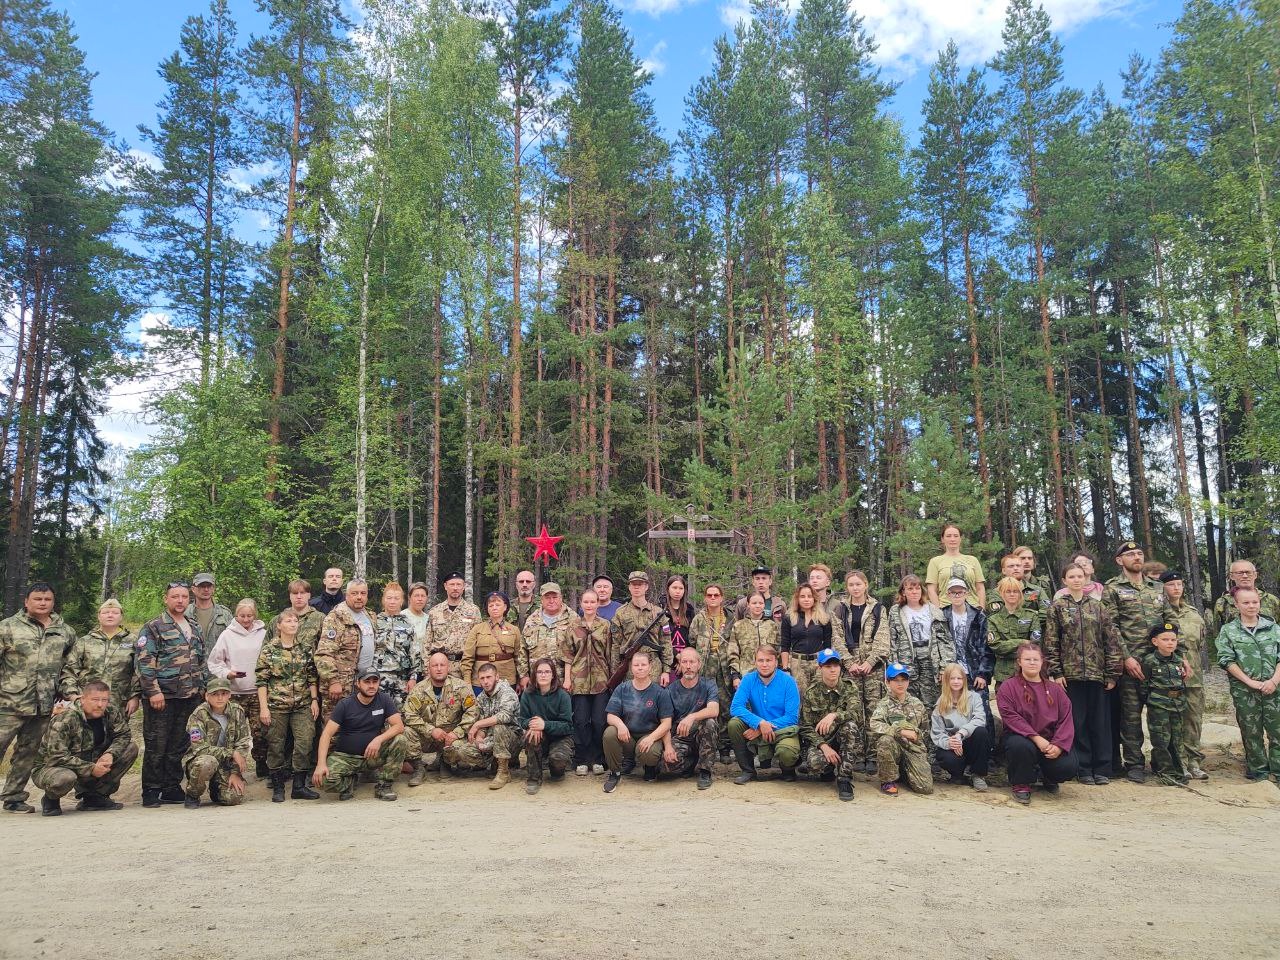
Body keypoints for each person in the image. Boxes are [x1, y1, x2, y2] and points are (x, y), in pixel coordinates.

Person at [0, 581, 77, 814]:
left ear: (53, 602)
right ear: (26, 601)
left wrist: (71, 693)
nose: (42, 603)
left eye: (47, 600)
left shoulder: (65, 632)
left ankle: (13, 797)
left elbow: (69, 668)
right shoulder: (8, 627)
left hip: (43, 704)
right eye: (37, 599)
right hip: (8, 702)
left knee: (27, 752)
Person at [1045, 563, 1122, 785]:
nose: (1077, 580)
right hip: (1070, 676)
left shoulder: (1098, 607)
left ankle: (1102, 767)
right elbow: (1051, 642)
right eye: (1072, 576)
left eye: (1080, 576)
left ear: (1086, 579)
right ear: (1064, 580)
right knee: (1077, 722)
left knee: (1100, 722)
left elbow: (1111, 642)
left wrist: (1112, 673)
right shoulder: (1057, 608)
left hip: (1098, 674)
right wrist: (1056, 671)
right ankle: (1083, 767)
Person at [137, 581, 208, 809]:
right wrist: (153, 692)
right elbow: (145, 663)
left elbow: (201, 660)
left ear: (189, 599)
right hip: (163, 697)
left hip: (190, 695)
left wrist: (203, 688)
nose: (180, 601)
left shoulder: (194, 627)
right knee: (157, 744)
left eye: (184, 597)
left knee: (180, 743)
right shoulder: (154, 627)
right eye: (175, 597)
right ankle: (151, 789)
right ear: (166, 599)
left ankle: (170, 786)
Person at [1102, 540, 1164, 783]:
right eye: (1131, 555)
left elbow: (1168, 622)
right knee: (1130, 718)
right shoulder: (1113, 589)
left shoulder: (1157, 587)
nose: (1137, 557)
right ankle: (1134, 764)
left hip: (1158, 663)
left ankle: (1162, 761)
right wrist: (1126, 657)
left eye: (1139, 553)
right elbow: (1112, 627)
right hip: (1131, 664)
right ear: (1120, 561)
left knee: (1161, 716)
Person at [31, 679, 137, 815]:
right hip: (52, 767)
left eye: (104, 700)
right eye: (95, 699)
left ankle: (94, 797)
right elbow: (56, 757)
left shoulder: (110, 712)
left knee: (130, 748)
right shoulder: (65, 718)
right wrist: (91, 768)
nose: (100, 705)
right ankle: (51, 798)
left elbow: (123, 734)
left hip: (90, 760)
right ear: (83, 699)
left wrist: (110, 754)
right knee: (65, 778)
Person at [996, 643, 1078, 804]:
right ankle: (1021, 784)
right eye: (1027, 659)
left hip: (1050, 741)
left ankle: (1048, 777)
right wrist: (1036, 738)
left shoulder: (1056, 690)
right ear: (1019, 662)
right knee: (1019, 746)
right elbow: (1011, 718)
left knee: (1069, 765)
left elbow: (1066, 719)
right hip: (1021, 739)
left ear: (1042, 662)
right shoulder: (1008, 687)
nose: (1032, 663)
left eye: (1035, 659)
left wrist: (1059, 745)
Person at [255, 608, 320, 802]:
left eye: (295, 621)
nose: (293, 624)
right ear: (279, 625)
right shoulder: (269, 650)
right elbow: (261, 681)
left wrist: (315, 700)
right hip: (276, 705)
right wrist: (264, 707)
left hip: (302, 704)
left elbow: (311, 677)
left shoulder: (304, 648)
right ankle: (278, 787)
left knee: (305, 742)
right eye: (289, 621)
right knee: (276, 745)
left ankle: (299, 786)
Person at [312, 669, 408, 801]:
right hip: (347, 757)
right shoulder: (345, 704)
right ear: (358, 683)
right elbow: (327, 734)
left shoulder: (384, 699)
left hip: (373, 755)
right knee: (321, 780)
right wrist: (320, 764)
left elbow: (399, 726)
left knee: (400, 740)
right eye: (367, 681)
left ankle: (384, 785)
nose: (371, 685)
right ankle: (349, 783)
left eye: (375, 681)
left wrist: (379, 739)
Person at [1215, 587, 1280, 782]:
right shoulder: (1229, 631)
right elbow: (1226, 660)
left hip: (1274, 689)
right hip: (1245, 690)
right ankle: (1258, 770)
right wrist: (1249, 681)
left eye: (1254, 602)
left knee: (1277, 731)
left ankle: (1277, 771)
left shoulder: (1274, 629)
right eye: (1246, 602)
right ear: (1237, 605)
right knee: (1251, 731)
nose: (1251, 606)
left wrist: (1274, 681)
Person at [833, 570, 891, 770]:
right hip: (851, 665)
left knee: (874, 709)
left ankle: (873, 756)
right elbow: (836, 639)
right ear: (847, 587)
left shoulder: (878, 608)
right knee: (854, 709)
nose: (855, 588)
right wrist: (849, 663)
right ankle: (856, 755)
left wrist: (871, 661)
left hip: (873, 666)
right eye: (851, 585)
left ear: (865, 585)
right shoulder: (840, 609)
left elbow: (883, 638)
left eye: (858, 584)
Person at [206, 598, 268, 777]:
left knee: (261, 731)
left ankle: (262, 764)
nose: (246, 619)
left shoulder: (263, 634)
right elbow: (214, 662)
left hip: (257, 691)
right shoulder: (227, 635)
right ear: (236, 615)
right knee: (233, 732)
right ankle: (231, 766)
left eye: (249, 616)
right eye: (242, 616)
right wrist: (227, 673)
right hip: (234, 692)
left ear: (255, 615)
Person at [1158, 569, 1209, 780]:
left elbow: (1200, 644)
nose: (1176, 588)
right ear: (1162, 587)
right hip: (1169, 677)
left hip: (1194, 677)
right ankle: (1176, 763)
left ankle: (1194, 761)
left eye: (1179, 584)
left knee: (1193, 720)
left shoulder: (1193, 613)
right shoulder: (1158, 612)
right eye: (1171, 585)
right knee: (1172, 721)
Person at [728, 645, 801, 784]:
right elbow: (736, 707)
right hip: (759, 726)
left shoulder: (788, 682)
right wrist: (760, 724)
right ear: (755, 662)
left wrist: (764, 728)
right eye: (760, 660)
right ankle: (748, 771)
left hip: (783, 730)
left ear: (776, 662)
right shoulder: (749, 679)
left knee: (788, 752)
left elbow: (792, 717)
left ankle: (787, 769)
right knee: (734, 724)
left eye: (769, 660)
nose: (764, 664)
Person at [602, 650, 672, 793]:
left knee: (650, 753)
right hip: (627, 735)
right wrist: (620, 725)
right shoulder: (622, 689)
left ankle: (649, 767)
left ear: (650, 667)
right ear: (631, 667)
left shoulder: (660, 692)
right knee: (610, 733)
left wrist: (651, 738)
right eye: (636, 665)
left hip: (649, 736)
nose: (640, 668)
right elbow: (610, 716)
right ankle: (615, 773)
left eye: (643, 664)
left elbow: (666, 723)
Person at [402, 652, 478, 782]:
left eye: (442, 665)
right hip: (427, 737)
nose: (438, 668)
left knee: (461, 748)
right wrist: (431, 730)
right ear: (428, 668)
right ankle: (418, 768)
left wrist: (457, 733)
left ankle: (446, 763)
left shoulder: (461, 687)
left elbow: (473, 712)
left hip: (450, 737)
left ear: (448, 667)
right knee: (405, 733)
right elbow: (408, 715)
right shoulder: (419, 689)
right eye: (434, 665)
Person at [564, 588, 614, 776]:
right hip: (579, 680)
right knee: (581, 720)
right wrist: (568, 679)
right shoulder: (573, 626)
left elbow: (610, 653)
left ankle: (599, 759)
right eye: (586, 602)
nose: (590, 605)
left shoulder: (605, 626)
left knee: (600, 721)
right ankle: (582, 759)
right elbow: (567, 655)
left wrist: (611, 678)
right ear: (581, 603)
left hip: (601, 680)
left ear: (598, 603)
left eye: (593, 602)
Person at [59, 599, 139, 716]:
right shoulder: (85, 641)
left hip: (119, 702)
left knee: (117, 733)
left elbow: (137, 672)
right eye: (106, 612)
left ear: (121, 617)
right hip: (86, 702)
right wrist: (73, 695)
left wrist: (135, 696)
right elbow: (70, 670)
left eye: (115, 613)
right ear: (99, 616)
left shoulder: (132, 641)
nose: (110, 615)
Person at [448, 662, 521, 789]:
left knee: (500, 727)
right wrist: (479, 738)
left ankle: (503, 772)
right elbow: (482, 722)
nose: (485, 681)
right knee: (462, 750)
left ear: (497, 677)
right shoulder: (481, 697)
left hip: (511, 739)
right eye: (482, 678)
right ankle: (492, 763)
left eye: (489, 677)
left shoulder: (506, 692)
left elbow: (505, 716)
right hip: (491, 740)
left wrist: (477, 725)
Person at [798, 649, 859, 801]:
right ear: (820, 668)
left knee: (850, 726)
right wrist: (823, 746)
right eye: (827, 666)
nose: (833, 669)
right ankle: (828, 769)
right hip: (823, 741)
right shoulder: (812, 692)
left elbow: (856, 714)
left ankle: (845, 778)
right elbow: (805, 726)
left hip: (844, 737)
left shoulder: (850, 687)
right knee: (815, 764)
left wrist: (834, 715)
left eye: (836, 665)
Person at [888, 574, 954, 714]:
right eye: (910, 589)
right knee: (907, 700)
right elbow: (892, 641)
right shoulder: (896, 611)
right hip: (906, 661)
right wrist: (893, 665)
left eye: (917, 588)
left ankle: (930, 732)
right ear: (903, 592)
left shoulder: (933, 610)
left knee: (931, 701)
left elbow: (944, 640)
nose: (914, 592)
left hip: (930, 661)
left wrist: (944, 667)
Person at [182, 677, 251, 808]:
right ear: (207, 696)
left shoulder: (237, 711)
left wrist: (235, 773)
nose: (220, 698)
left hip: (226, 764)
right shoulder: (199, 715)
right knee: (208, 762)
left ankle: (217, 790)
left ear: (229, 695)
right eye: (215, 694)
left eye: (224, 694)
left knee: (233, 798)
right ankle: (192, 794)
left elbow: (243, 743)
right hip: (201, 760)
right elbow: (199, 748)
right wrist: (231, 753)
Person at [314, 578, 373, 725]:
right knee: (334, 727)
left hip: (363, 682)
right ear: (347, 595)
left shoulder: (370, 616)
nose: (359, 596)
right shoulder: (336, 617)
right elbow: (323, 654)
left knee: (359, 725)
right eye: (355, 593)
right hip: (340, 685)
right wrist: (333, 681)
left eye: (363, 593)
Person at [660, 647, 720, 790]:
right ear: (679, 665)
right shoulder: (670, 690)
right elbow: (665, 722)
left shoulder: (709, 684)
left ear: (699, 664)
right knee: (665, 767)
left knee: (710, 722)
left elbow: (714, 710)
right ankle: (692, 761)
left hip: (701, 733)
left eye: (692, 662)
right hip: (681, 736)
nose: (688, 666)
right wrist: (668, 746)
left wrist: (691, 717)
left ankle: (705, 771)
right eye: (684, 662)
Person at [869, 662, 933, 796]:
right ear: (888, 682)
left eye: (904, 680)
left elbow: (925, 731)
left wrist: (917, 737)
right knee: (885, 741)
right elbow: (874, 724)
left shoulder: (917, 704)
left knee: (925, 788)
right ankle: (888, 780)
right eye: (896, 680)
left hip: (913, 749)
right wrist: (900, 731)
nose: (900, 684)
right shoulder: (884, 704)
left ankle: (905, 772)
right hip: (894, 748)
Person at [689, 582, 735, 759]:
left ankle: (724, 746)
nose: (713, 598)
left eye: (716, 595)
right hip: (705, 670)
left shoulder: (731, 618)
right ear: (705, 598)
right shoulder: (699, 618)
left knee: (725, 707)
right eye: (710, 595)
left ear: (722, 597)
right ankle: (707, 746)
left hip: (723, 669)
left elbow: (735, 643)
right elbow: (692, 643)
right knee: (705, 706)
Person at [942, 577, 994, 730]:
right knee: (952, 715)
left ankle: (988, 752)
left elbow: (987, 647)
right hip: (951, 674)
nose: (957, 595)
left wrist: (983, 674)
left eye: (960, 592)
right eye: (953, 592)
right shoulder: (941, 616)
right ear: (948, 594)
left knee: (982, 714)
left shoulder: (979, 616)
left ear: (967, 593)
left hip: (975, 674)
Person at [1142, 621, 1189, 786]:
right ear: (1155, 642)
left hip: (1177, 705)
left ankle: (1177, 770)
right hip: (1158, 706)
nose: (1170, 643)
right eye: (1165, 639)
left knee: (1176, 739)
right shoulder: (1149, 661)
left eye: (1173, 640)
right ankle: (1166, 772)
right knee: (1161, 740)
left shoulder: (1178, 661)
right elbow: (1143, 685)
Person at [930, 663, 990, 792]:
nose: (956, 682)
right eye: (952, 678)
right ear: (946, 680)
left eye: (959, 678)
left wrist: (961, 734)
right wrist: (950, 742)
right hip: (954, 747)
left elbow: (980, 719)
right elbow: (937, 733)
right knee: (945, 757)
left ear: (964, 679)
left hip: (970, 743)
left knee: (981, 732)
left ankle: (978, 774)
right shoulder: (940, 705)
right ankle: (958, 775)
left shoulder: (974, 698)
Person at [519, 657, 574, 795]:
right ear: (534, 675)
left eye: (547, 672)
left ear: (553, 675)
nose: (543, 675)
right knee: (531, 735)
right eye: (540, 672)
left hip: (559, 737)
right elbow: (522, 720)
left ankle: (555, 769)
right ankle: (534, 778)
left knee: (557, 760)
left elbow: (567, 726)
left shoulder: (563, 695)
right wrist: (533, 725)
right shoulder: (528, 694)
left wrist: (544, 725)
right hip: (539, 734)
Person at [609, 571, 668, 686]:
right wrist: (615, 671)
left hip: (653, 667)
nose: (636, 587)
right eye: (633, 584)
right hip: (630, 667)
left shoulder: (657, 612)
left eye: (640, 584)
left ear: (646, 587)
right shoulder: (621, 613)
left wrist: (666, 670)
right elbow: (615, 645)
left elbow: (666, 643)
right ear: (629, 587)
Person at [986, 577, 1043, 692]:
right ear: (1001, 594)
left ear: (1021, 594)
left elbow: (1035, 643)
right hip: (1003, 674)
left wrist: (1008, 646)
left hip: (1027, 673)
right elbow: (996, 646)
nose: (1012, 594)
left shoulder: (1031, 616)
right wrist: (1022, 642)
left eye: (1016, 591)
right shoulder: (993, 619)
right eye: (1008, 591)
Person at [1209, 559, 1280, 648]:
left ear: (1255, 575)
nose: (1245, 576)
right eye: (1240, 573)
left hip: (1270, 657)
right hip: (1239, 657)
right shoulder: (1223, 603)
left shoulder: (1271, 600)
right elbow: (1219, 636)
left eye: (1248, 572)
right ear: (1232, 576)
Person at [518, 582, 578, 688]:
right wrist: (523, 675)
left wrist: (572, 679)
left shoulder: (573, 619)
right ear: (541, 600)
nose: (551, 601)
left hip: (563, 681)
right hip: (536, 681)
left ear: (561, 598)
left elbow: (579, 652)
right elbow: (522, 650)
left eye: (555, 597)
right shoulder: (532, 620)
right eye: (547, 598)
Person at [424, 572, 482, 678]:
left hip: (463, 668)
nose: (455, 588)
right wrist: (426, 670)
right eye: (452, 584)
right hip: (439, 668)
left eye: (459, 584)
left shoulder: (473, 611)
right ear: (446, 586)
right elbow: (427, 643)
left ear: (464, 587)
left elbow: (479, 642)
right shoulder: (435, 611)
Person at [372, 582, 422, 703]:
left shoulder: (408, 623)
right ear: (383, 600)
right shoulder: (374, 621)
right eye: (389, 598)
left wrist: (413, 678)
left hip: (402, 677)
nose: (392, 601)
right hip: (380, 676)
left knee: (402, 713)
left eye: (396, 598)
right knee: (379, 712)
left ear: (402, 601)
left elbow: (414, 652)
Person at [781, 583, 834, 697]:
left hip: (818, 663)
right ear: (797, 598)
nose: (806, 599)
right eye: (802, 596)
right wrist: (785, 668)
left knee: (819, 697)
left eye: (809, 596)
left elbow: (828, 645)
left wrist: (827, 665)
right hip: (797, 663)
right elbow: (784, 645)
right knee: (799, 697)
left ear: (814, 598)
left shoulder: (824, 618)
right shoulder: (789, 618)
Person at [463, 591, 521, 689]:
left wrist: (519, 680)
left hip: (506, 678)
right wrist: (467, 681)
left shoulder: (514, 630)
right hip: (480, 680)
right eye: (491, 605)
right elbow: (467, 657)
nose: (494, 608)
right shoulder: (477, 629)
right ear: (487, 609)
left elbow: (519, 658)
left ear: (505, 607)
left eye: (498, 605)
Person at [726, 592, 781, 695]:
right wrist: (735, 676)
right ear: (748, 604)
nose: (757, 606)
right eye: (754, 603)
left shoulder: (772, 626)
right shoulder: (739, 626)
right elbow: (733, 653)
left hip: (770, 677)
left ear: (764, 605)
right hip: (746, 677)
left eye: (760, 603)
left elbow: (778, 652)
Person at [925, 524, 986, 609]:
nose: (952, 539)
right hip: (946, 609)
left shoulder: (973, 560)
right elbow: (931, 590)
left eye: (956, 536)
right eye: (948, 536)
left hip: (973, 609)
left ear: (960, 539)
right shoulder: (935, 562)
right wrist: (938, 611)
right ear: (942, 539)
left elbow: (980, 588)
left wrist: (981, 609)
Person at [267, 579, 324, 651]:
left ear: (309, 595)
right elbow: (266, 648)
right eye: (295, 593)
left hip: (310, 661)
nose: (299, 597)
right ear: (290, 596)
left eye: (302, 593)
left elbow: (326, 648)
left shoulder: (320, 619)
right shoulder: (277, 620)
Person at [807, 564, 850, 655]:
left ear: (827, 582)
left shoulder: (837, 605)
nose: (814, 580)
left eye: (818, 578)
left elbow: (843, 633)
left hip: (831, 656)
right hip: (806, 656)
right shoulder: (801, 605)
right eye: (812, 578)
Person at [659, 575, 695, 683]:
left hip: (686, 660)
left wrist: (684, 658)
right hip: (667, 660)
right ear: (668, 589)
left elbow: (692, 637)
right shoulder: (661, 610)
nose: (677, 591)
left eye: (681, 588)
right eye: (674, 588)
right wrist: (677, 657)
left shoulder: (689, 610)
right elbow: (660, 639)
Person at [187, 572, 232, 650]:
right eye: (202, 586)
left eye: (209, 586)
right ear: (193, 589)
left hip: (218, 661)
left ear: (213, 589)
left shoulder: (225, 614)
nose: (206, 589)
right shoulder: (185, 613)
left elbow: (232, 641)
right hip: (192, 661)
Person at [404, 582, 431, 652]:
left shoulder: (429, 619)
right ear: (409, 598)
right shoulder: (401, 617)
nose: (420, 599)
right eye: (416, 596)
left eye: (423, 596)